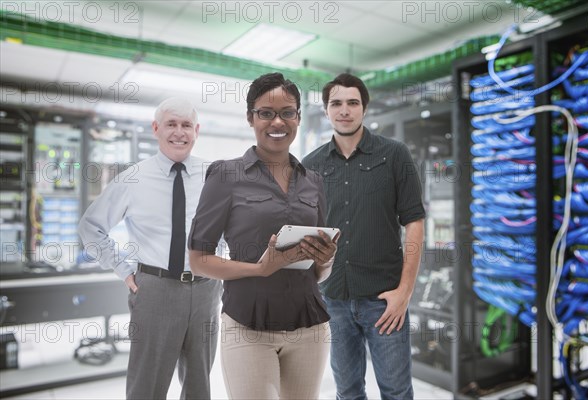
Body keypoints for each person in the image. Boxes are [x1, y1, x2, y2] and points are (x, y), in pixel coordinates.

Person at [188, 72, 338, 400]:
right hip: (247, 326)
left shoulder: (313, 181)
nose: (277, 122)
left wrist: (326, 261)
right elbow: (198, 260)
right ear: (250, 118)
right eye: (266, 113)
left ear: (298, 117)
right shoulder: (226, 175)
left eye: (287, 112)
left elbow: (319, 270)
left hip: (309, 325)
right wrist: (259, 269)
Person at [78, 97, 222, 399]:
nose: (179, 132)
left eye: (186, 125)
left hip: (207, 290)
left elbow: (230, 227)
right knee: (147, 385)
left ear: (197, 131)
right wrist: (123, 269)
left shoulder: (214, 175)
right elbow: (91, 227)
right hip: (156, 290)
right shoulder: (134, 178)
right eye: (171, 124)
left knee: (200, 385)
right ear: (156, 128)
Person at [303, 73, 426, 400]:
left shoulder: (394, 155)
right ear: (327, 111)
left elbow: (414, 222)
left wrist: (405, 292)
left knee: (397, 392)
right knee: (348, 391)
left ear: (364, 108)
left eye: (352, 103)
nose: (344, 110)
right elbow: (303, 232)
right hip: (334, 300)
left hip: (385, 301)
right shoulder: (310, 166)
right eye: (336, 103)